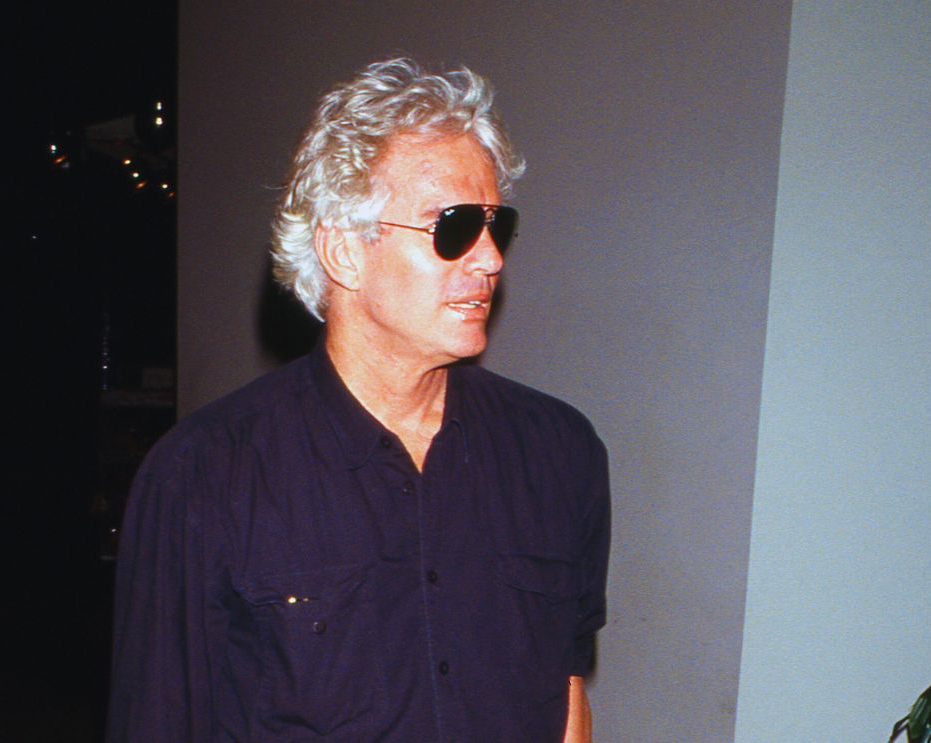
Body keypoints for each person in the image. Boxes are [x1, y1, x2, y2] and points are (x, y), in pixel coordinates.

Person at [106, 58, 610, 743]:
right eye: (455, 225)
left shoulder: (558, 451)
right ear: (344, 251)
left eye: (498, 225)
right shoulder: (202, 477)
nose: (490, 258)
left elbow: (567, 691)